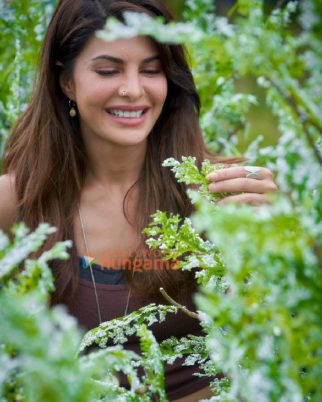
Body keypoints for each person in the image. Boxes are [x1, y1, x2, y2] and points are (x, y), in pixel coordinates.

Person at [0, 0, 278, 400]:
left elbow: (279, 333)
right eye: (108, 70)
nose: (133, 89)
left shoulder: (220, 191)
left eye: (151, 70)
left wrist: (283, 238)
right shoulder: (19, 201)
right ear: (66, 82)